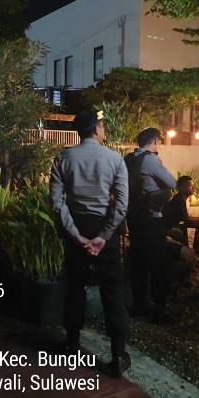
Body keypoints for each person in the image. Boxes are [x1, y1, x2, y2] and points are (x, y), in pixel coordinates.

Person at [50, 109, 131, 378]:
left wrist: (77, 236)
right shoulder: (115, 158)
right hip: (104, 231)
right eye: (102, 126)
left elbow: (57, 203)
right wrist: (103, 236)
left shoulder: (63, 158)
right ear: (96, 129)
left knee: (75, 287)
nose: (104, 130)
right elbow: (121, 205)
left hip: (77, 229)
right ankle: (118, 355)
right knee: (113, 292)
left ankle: (71, 343)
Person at [124, 127, 176, 323]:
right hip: (151, 218)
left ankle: (139, 305)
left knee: (138, 263)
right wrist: (160, 163)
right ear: (154, 141)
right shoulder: (150, 159)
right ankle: (159, 310)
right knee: (158, 264)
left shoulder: (129, 159)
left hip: (134, 217)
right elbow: (172, 182)